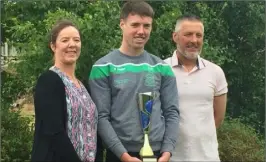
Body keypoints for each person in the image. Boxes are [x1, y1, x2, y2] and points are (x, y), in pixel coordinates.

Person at [89, 1, 179, 162]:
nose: (141, 31)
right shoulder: (103, 67)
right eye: (135, 25)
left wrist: (167, 151)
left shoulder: (162, 67)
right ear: (122, 24)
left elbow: (172, 113)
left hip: (157, 154)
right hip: (120, 155)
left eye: (147, 26)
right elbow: (101, 117)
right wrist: (123, 155)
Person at [31, 20, 98, 162]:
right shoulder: (48, 81)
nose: (72, 44)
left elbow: (92, 131)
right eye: (65, 40)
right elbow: (53, 132)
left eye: (76, 40)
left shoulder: (83, 85)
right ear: (53, 46)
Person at [164, 14, 228, 161]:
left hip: (207, 157)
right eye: (188, 34)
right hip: (170, 157)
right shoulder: (161, 70)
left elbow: (218, 118)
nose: (194, 40)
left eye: (199, 35)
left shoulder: (215, 72)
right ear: (175, 36)